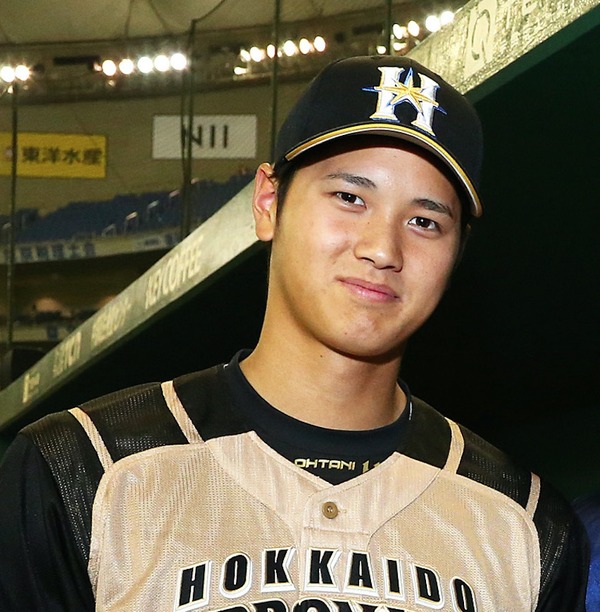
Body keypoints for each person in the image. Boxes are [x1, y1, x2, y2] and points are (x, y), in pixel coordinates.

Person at [0, 55, 589, 611]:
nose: (382, 248)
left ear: (457, 252)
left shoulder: (525, 522)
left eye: (424, 221)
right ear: (267, 202)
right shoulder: (81, 469)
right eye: (349, 196)